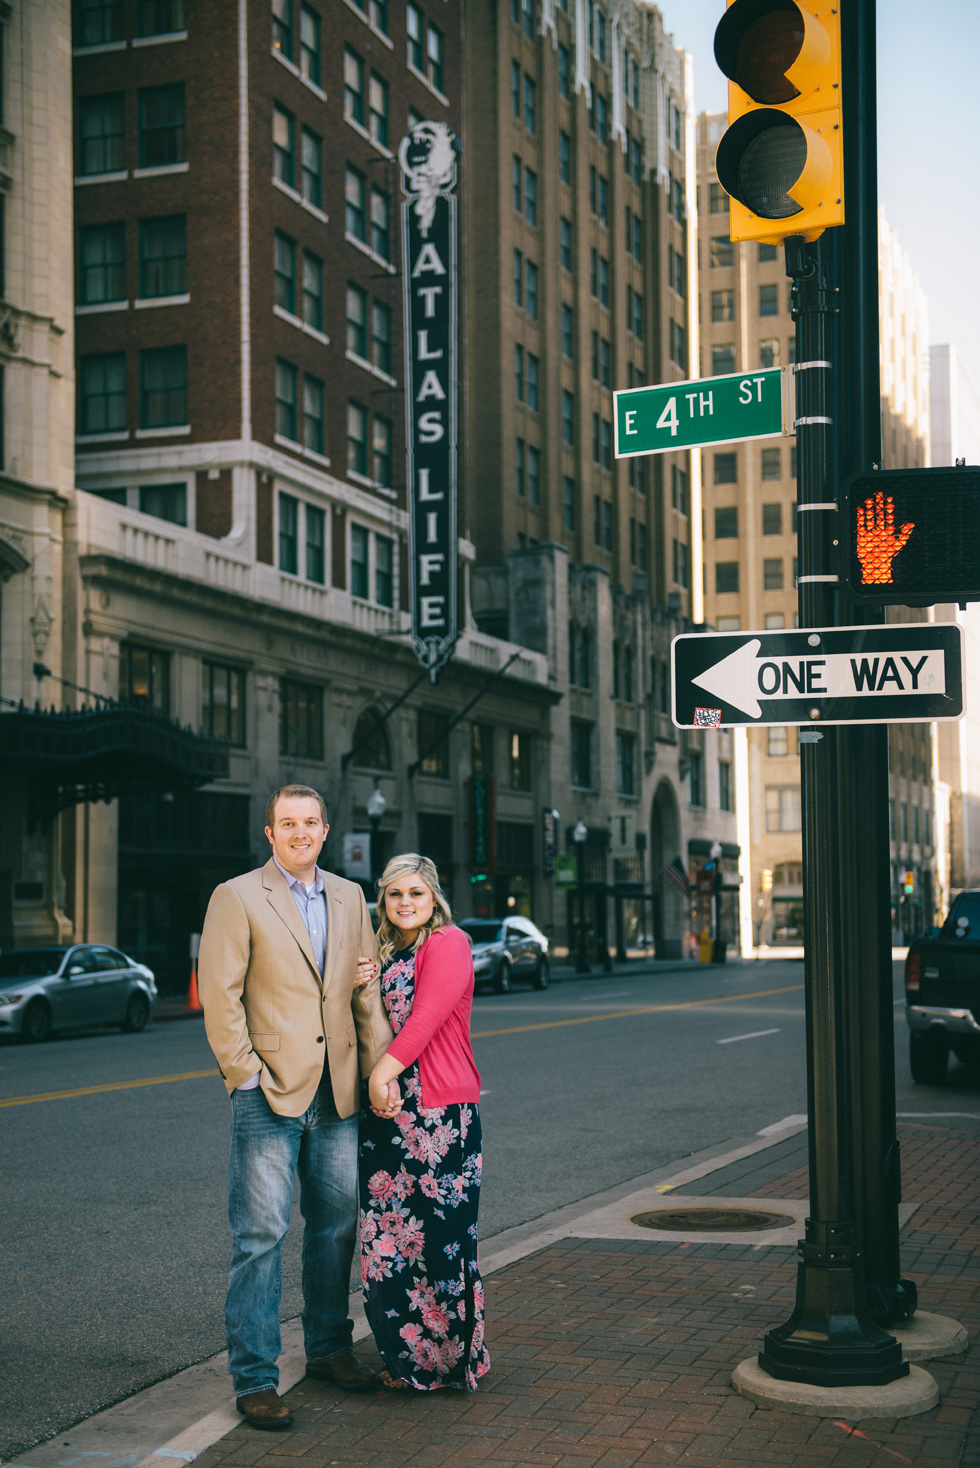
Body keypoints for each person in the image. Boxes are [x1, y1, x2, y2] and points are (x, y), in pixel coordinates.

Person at [198, 784, 395, 1430]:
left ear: (326, 829)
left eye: (310, 822)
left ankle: (331, 1350)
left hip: (337, 1091)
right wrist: (244, 1075)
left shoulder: (350, 896)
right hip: (270, 1094)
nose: (301, 832)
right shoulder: (237, 897)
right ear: (270, 832)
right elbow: (220, 995)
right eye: (288, 823)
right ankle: (256, 1379)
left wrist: (375, 1072)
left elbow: (362, 995)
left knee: (336, 1229)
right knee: (260, 1238)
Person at [359, 853, 491, 1392]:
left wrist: (379, 1076)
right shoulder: (389, 951)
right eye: (394, 894)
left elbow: (427, 1018)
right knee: (388, 1240)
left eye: (415, 893)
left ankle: (455, 1361)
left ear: (434, 897)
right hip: (390, 1111)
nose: (405, 903)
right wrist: (363, 983)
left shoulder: (449, 943)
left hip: (438, 1114)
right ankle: (411, 1362)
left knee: (441, 1241)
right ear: (383, 901)